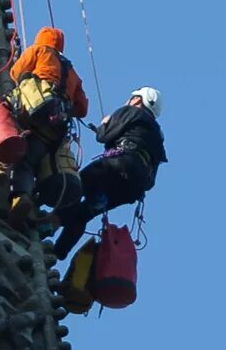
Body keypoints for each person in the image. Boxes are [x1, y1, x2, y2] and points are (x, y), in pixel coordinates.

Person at [52, 87, 167, 246]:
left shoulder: (132, 111)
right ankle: (59, 252)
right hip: (134, 187)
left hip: (118, 164)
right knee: (86, 212)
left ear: (138, 100)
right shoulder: (158, 136)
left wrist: (105, 124)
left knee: (76, 187)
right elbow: (151, 181)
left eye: (132, 97)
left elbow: (103, 136)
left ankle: (46, 225)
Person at [0, 25, 88, 221]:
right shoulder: (71, 71)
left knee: (22, 158)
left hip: (32, 114)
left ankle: (16, 193)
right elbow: (82, 109)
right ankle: (30, 202)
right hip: (55, 128)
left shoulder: (38, 50)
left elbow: (16, 72)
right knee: (35, 162)